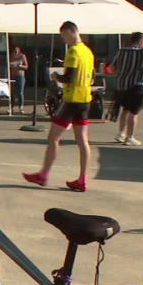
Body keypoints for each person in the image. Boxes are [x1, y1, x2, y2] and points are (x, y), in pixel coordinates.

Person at [23, 21, 94, 192]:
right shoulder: (88, 52)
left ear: (70, 32)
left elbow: (69, 78)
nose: (64, 40)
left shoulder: (74, 52)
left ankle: (43, 174)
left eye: (63, 36)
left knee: (53, 137)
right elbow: (91, 77)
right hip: (85, 99)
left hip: (71, 100)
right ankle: (82, 179)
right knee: (82, 140)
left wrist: (56, 76)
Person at [108, 32, 143, 146]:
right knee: (134, 112)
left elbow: (112, 68)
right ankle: (130, 137)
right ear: (141, 40)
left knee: (125, 110)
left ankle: (121, 134)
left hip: (122, 86)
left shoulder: (121, 51)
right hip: (137, 86)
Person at [9, 46, 29, 114]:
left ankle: (21, 107)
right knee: (12, 92)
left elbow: (26, 66)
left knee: (20, 92)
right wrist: (11, 65)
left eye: (16, 50)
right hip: (13, 75)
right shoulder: (11, 56)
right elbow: (9, 64)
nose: (15, 51)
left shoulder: (22, 56)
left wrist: (21, 66)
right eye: (14, 50)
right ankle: (11, 107)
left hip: (20, 76)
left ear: (19, 50)